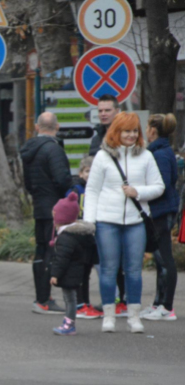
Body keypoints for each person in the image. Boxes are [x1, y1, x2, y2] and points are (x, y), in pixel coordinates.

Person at [83, 112, 165, 333]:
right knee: (108, 269)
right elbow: (91, 190)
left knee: (134, 270)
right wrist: (89, 221)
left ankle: (134, 316)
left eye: (135, 131)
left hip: (136, 222)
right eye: (126, 131)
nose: (131, 135)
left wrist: (137, 191)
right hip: (106, 221)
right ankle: (108, 316)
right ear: (116, 132)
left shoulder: (146, 156)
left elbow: (159, 187)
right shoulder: (102, 156)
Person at [21, 111, 73, 314]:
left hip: (39, 206)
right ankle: (44, 299)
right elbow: (62, 179)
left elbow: (27, 183)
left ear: (36, 127)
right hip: (55, 208)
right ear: (57, 127)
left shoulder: (28, 150)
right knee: (51, 252)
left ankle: (40, 297)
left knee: (41, 250)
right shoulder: (53, 150)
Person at [88, 95, 128, 316]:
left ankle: (124, 300)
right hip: (102, 202)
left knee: (124, 259)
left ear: (117, 111)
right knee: (107, 257)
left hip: (122, 202)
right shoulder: (97, 136)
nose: (103, 114)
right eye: (100, 110)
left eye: (107, 110)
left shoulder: (126, 135)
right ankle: (112, 301)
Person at [141, 113, 180, 321]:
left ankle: (167, 307)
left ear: (153, 131)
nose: (145, 132)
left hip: (162, 211)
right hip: (161, 210)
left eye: (147, 128)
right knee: (160, 259)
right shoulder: (160, 151)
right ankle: (158, 303)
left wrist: (141, 192)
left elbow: (161, 186)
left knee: (165, 259)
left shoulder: (161, 154)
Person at [49, 193, 97, 335]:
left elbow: (61, 258)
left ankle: (69, 325)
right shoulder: (78, 234)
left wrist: (55, 274)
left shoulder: (66, 237)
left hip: (69, 272)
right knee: (71, 298)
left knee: (69, 299)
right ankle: (69, 323)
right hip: (77, 271)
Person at [66, 157, 103, 320]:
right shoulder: (75, 190)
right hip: (78, 235)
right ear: (81, 173)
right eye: (87, 171)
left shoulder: (100, 189)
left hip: (92, 236)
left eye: (92, 171)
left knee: (87, 270)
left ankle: (86, 302)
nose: (90, 174)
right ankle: (79, 304)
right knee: (79, 271)